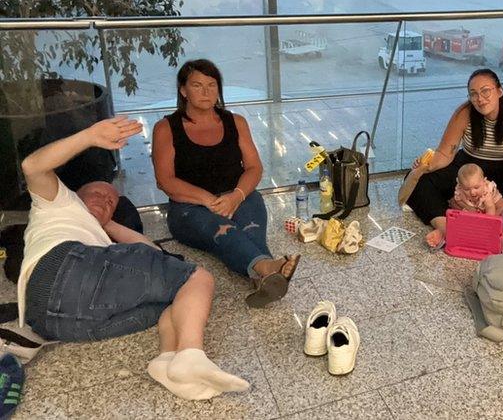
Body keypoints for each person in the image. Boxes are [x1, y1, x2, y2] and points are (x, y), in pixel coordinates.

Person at [18, 116, 248, 400]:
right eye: (99, 194)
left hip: (54, 322)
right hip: (63, 266)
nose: (106, 201)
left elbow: (154, 254)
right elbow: (32, 166)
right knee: (196, 276)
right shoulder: (58, 203)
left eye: (112, 203)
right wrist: (89, 135)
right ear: (78, 193)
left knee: (177, 298)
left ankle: (166, 361)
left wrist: (108, 224)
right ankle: (192, 353)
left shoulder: (99, 237)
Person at [152, 59, 299, 308]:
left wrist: (237, 195)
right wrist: (208, 201)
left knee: (250, 229)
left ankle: (263, 273)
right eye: (197, 85)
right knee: (227, 233)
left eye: (212, 85)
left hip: (238, 197)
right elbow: (165, 180)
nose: (206, 92)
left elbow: (254, 168)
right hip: (189, 208)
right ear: (183, 90)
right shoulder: (165, 128)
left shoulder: (236, 122)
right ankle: (267, 266)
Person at [405, 69, 503, 253]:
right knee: (416, 179)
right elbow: (445, 153)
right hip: (468, 170)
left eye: (485, 91)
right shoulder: (465, 113)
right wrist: (427, 166)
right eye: (473, 94)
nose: (479, 99)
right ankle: (446, 226)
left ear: (499, 91)